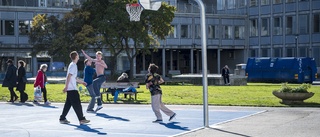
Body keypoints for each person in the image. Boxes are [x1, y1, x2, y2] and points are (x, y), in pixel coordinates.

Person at [59, 51, 90, 124]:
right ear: (76, 57)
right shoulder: (73, 65)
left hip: (71, 88)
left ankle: (62, 118)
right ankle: (81, 119)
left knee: (68, 104)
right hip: (72, 89)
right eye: (78, 55)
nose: (79, 56)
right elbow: (69, 76)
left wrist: (82, 82)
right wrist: (66, 87)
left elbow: (74, 78)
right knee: (77, 104)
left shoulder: (73, 65)